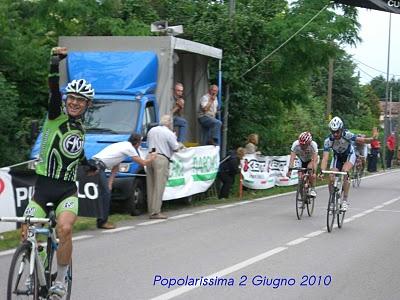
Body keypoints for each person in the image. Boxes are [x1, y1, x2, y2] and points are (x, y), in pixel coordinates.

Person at [22, 47, 95, 299]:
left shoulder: (82, 128)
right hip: (43, 187)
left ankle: (60, 281)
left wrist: (90, 163)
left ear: (87, 105)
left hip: (67, 190)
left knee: (64, 229)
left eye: (80, 100)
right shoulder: (55, 116)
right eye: (72, 98)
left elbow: (75, 153)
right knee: (27, 231)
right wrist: (55, 63)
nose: (74, 102)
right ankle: (40, 269)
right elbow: (54, 88)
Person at [91, 133, 156, 228]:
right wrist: (152, 158)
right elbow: (143, 163)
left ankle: (101, 220)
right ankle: (102, 222)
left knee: (105, 193)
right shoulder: (129, 148)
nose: (140, 145)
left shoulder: (123, 145)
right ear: (137, 143)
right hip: (97, 167)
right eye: (140, 143)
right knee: (105, 194)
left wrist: (110, 183)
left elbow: (115, 167)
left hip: (96, 165)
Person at [320, 116, 376, 211]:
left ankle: (345, 200)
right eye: (333, 132)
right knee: (331, 176)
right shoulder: (328, 141)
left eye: (337, 131)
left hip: (349, 156)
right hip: (337, 157)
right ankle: (332, 199)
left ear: (341, 129)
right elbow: (325, 158)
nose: (336, 134)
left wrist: (373, 138)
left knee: (345, 172)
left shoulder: (347, 135)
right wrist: (322, 171)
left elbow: (362, 140)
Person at [146, 115, 180, 219]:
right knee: (159, 186)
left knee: (150, 185)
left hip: (150, 155)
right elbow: (175, 148)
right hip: (161, 158)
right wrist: (180, 145)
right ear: (169, 123)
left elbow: (149, 144)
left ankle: (151, 210)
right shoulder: (169, 133)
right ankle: (156, 211)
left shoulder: (152, 130)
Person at [287, 132, 319, 197]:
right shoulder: (295, 144)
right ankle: (302, 196)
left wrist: (314, 172)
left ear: (309, 143)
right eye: (301, 144)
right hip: (301, 159)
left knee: (310, 169)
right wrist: (289, 170)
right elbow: (292, 159)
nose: (302, 146)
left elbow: (315, 160)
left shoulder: (313, 145)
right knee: (300, 177)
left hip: (311, 160)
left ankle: (313, 188)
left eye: (304, 145)